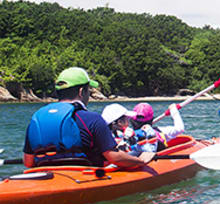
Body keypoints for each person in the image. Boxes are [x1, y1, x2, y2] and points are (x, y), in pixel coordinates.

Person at [23, 67, 154, 168]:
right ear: (81, 92)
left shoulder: (37, 118)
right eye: (88, 91)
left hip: (46, 175)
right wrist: (141, 160)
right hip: (84, 175)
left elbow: (28, 162)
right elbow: (115, 157)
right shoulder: (92, 119)